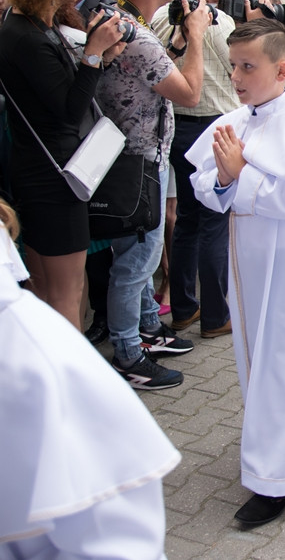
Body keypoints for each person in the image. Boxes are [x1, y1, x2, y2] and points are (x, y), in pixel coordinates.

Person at [187, 19, 285, 524]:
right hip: (248, 255)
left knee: (279, 355)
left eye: (247, 66)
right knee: (264, 350)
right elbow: (203, 184)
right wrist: (225, 179)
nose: (235, 76)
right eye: (232, 65)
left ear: (281, 70)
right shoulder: (236, 120)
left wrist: (241, 174)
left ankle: (279, 480)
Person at [0, 200, 181, 559]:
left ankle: (131, 343)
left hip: (63, 192)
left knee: (73, 289)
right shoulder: (32, 357)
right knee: (74, 289)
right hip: (60, 193)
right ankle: (130, 349)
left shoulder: (30, 355)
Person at [96, 0, 211, 387]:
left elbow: (159, 69)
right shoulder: (133, 33)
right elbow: (189, 93)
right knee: (136, 261)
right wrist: (198, 36)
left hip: (140, 156)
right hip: (135, 161)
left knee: (139, 256)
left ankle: (146, 329)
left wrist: (180, 41)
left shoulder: (125, 22)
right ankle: (128, 354)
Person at [0, 0, 125, 330]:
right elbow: (68, 109)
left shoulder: (30, 25)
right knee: (64, 297)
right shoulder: (27, 36)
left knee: (51, 292)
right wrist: (94, 52)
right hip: (54, 179)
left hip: (43, 171)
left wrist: (95, 55)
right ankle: (70, 387)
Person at [150, 0, 238, 340]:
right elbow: (237, 63)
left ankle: (184, 307)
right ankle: (216, 314)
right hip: (217, 123)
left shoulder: (156, 19)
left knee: (187, 218)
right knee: (214, 220)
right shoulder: (219, 20)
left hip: (179, 126)